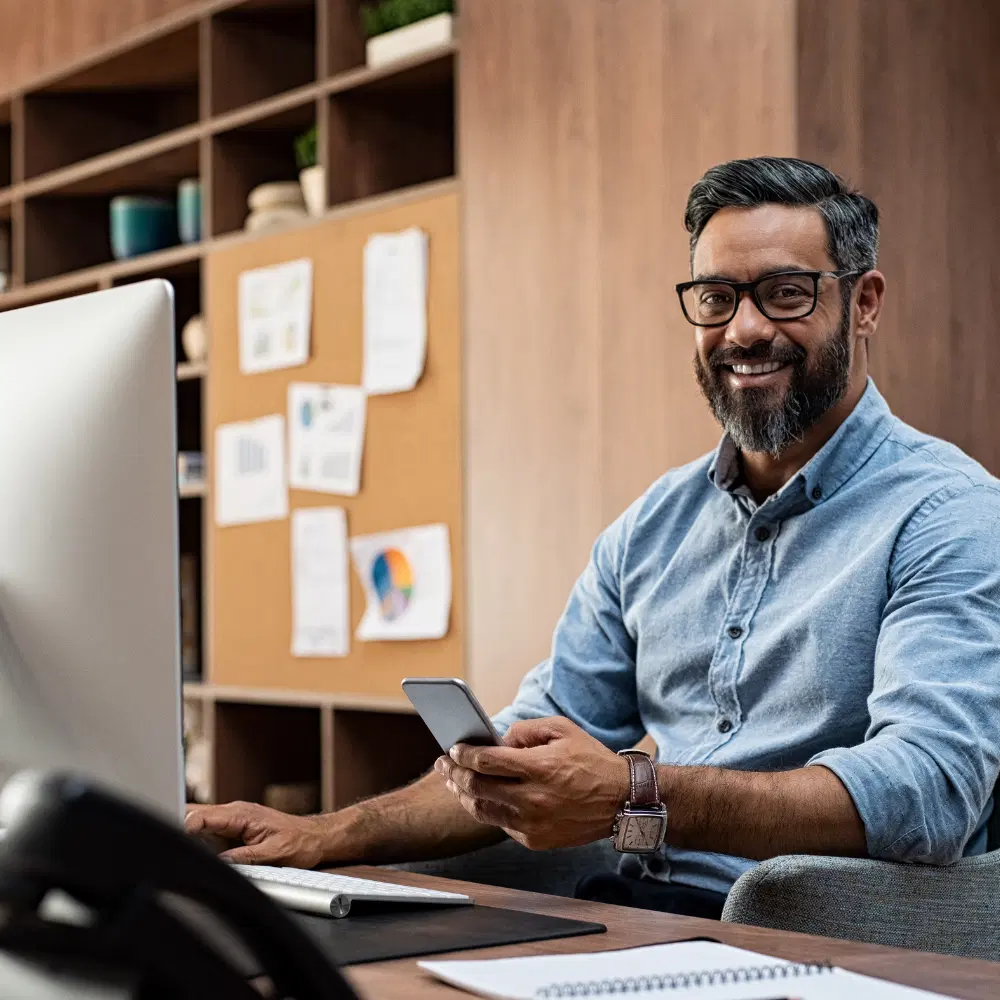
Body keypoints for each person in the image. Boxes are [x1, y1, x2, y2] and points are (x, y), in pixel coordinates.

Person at [187, 157, 1000, 919]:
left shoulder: (948, 515)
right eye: (716, 297)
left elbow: (928, 792)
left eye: (786, 293)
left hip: (810, 941)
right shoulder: (652, 527)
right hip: (636, 915)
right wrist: (325, 837)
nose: (744, 330)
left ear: (864, 303)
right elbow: (531, 736)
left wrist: (633, 792)